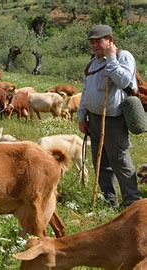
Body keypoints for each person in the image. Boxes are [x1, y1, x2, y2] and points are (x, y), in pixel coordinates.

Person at [78, 24, 141, 208]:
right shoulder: (93, 63)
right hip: (94, 118)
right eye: (92, 42)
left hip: (113, 118)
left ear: (110, 40)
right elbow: (85, 91)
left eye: (99, 41)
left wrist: (111, 58)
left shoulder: (123, 57)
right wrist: (82, 116)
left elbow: (124, 81)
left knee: (119, 159)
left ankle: (132, 202)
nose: (95, 45)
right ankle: (109, 200)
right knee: (100, 160)